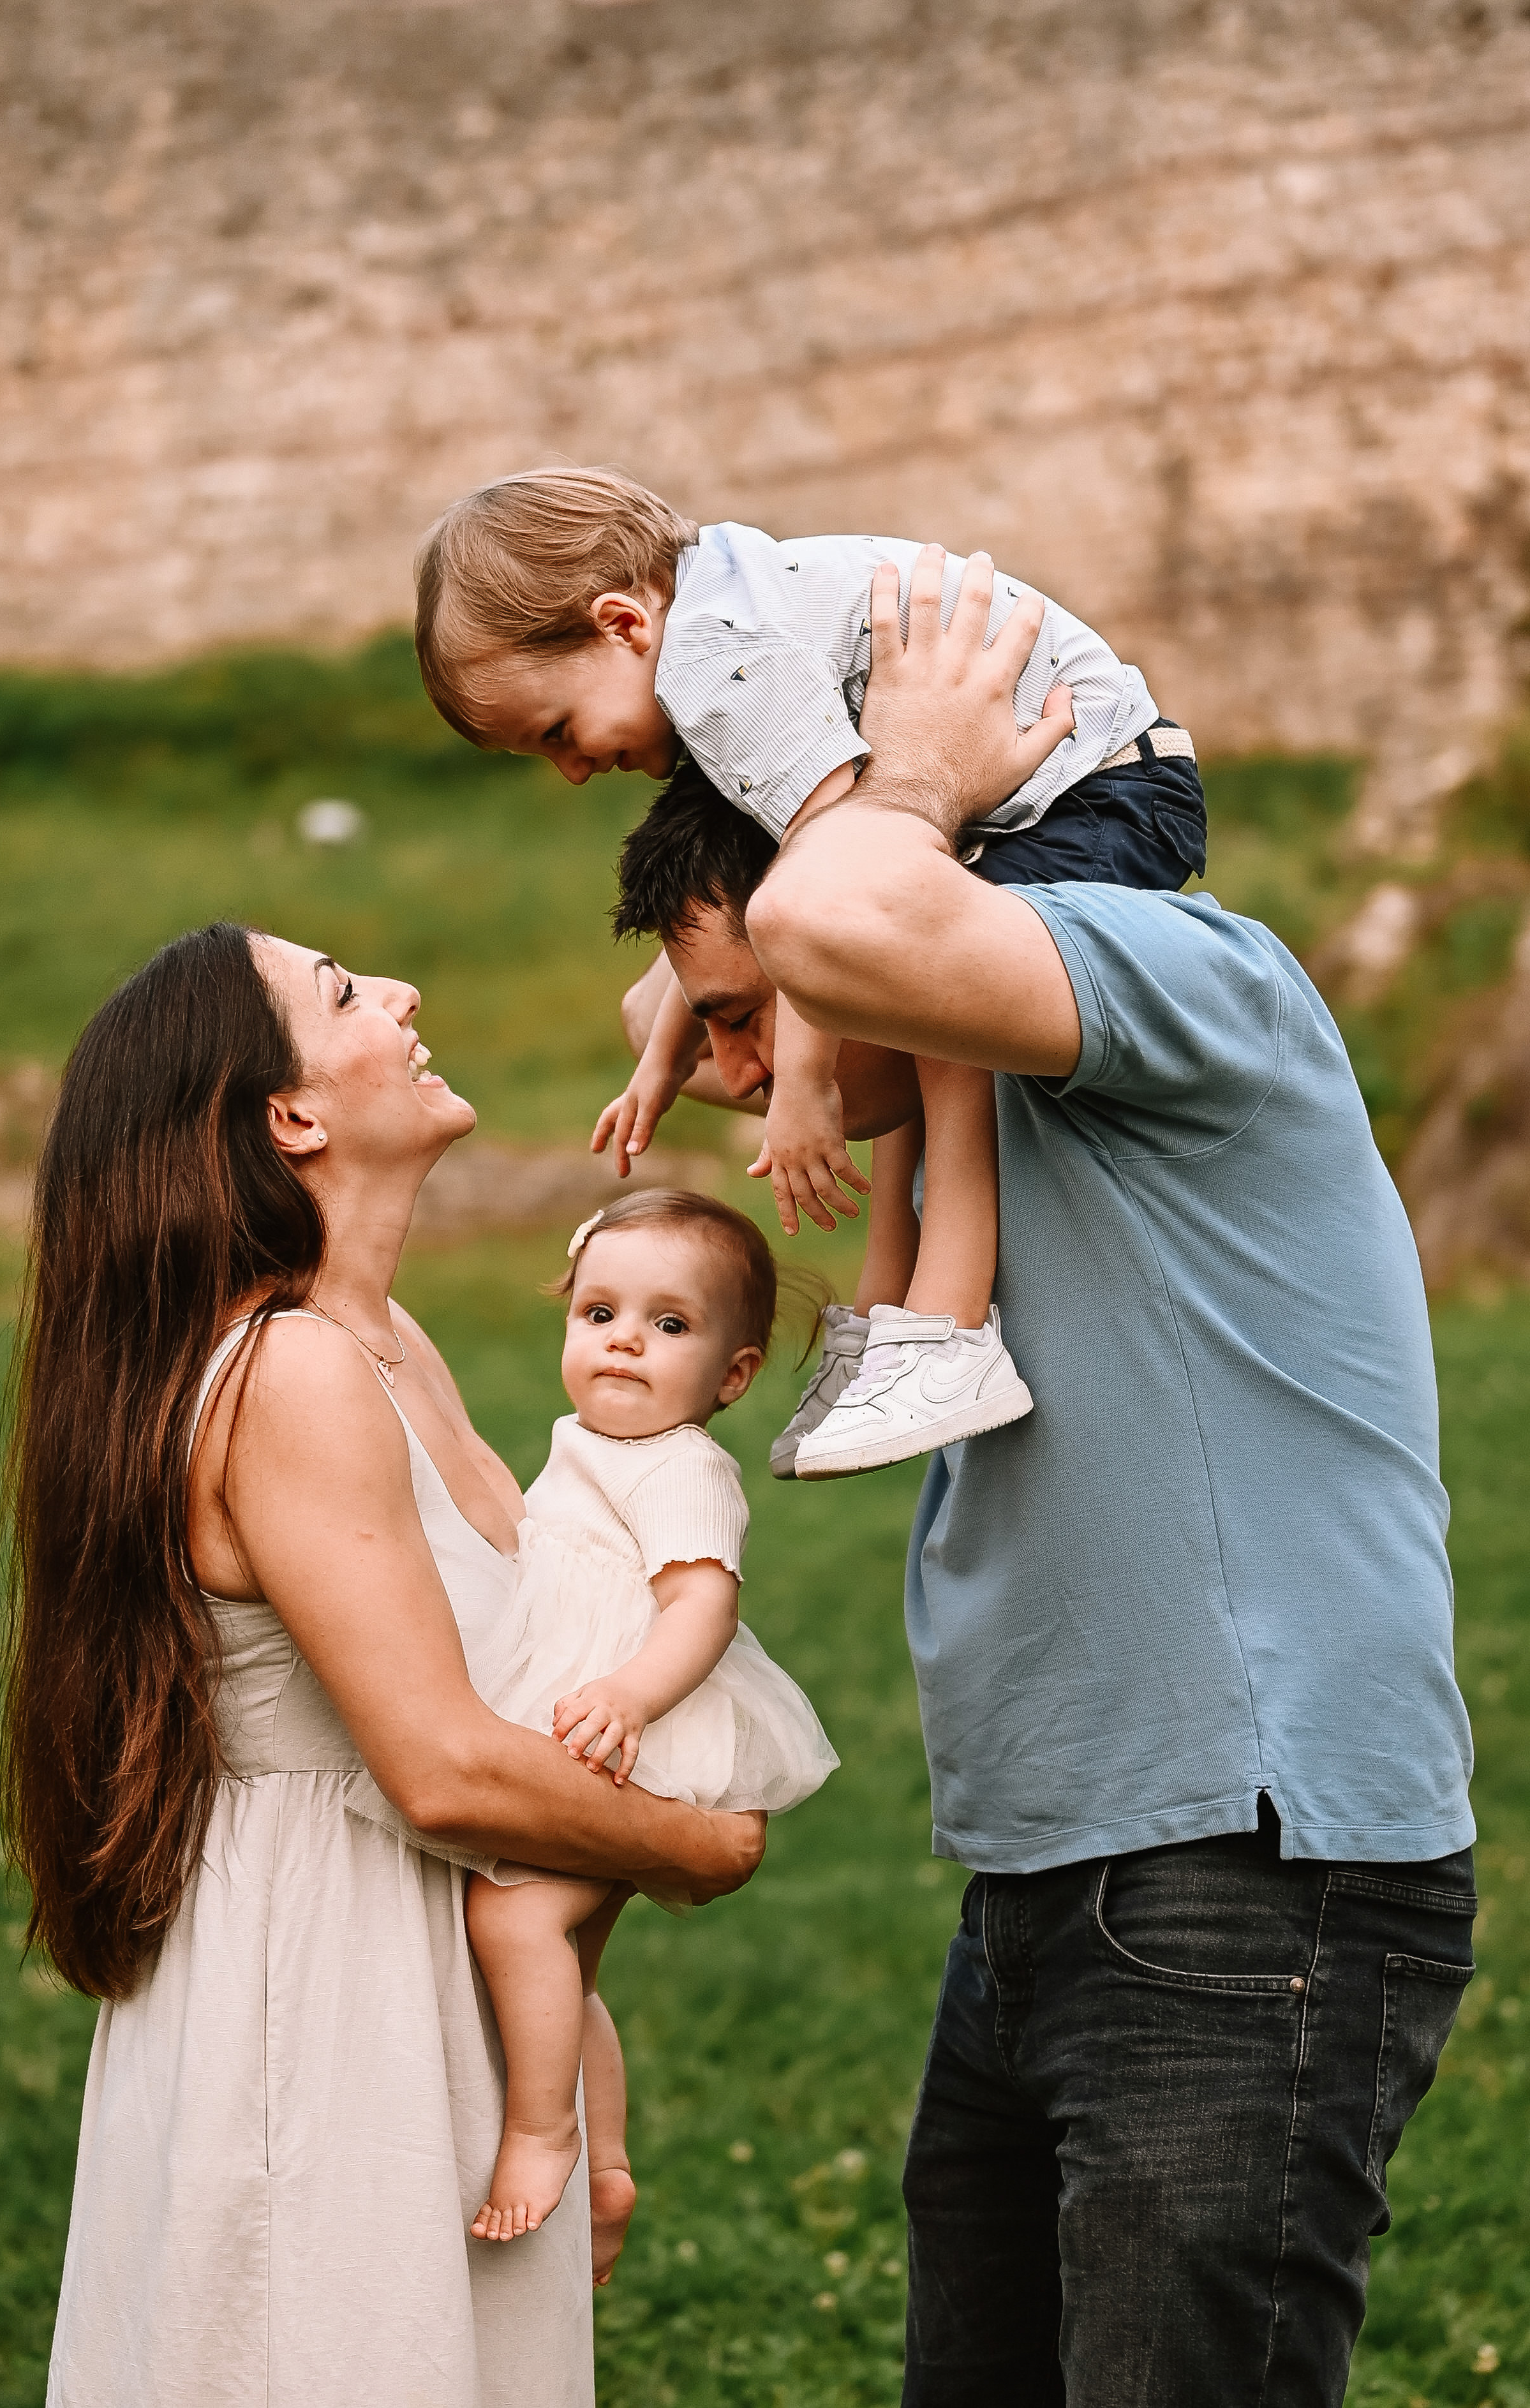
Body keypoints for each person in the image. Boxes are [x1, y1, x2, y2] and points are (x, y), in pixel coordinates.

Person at [609, 549, 1478, 2405]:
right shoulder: (958, 1076)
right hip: (1052, 1874)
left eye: (756, 1013)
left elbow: (864, 935)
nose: (736, 1071)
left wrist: (890, 789)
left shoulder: (1182, 973)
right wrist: (735, 993)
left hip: (1246, 1866)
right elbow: (767, 994)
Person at [0, 921, 762, 2408]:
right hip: (320, 1979)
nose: (405, 993)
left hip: (423, 1960)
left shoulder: (384, 1340)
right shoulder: (285, 1372)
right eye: (344, 993)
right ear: (290, 1117)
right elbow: (441, 1762)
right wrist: (696, 1847)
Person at [412, 467, 1207, 1480]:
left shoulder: (716, 661)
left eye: (559, 732)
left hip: (1097, 789)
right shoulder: (718, 615)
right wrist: (662, 1056)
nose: (572, 770)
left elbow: (829, 881)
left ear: (621, 623)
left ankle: (949, 1321)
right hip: (1061, 791)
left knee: (931, 991)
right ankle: (886, 1302)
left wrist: (807, 1082)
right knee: (912, 985)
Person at [464, 1189, 837, 2254]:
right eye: (599, 1314)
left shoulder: (682, 1466)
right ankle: (611, 2165)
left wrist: (630, 1697)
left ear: (732, 1375)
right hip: (587, 1709)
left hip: (634, 1730)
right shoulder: (587, 1440)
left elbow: (704, 1605)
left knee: (514, 1919)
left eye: (669, 1325)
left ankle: (544, 2134)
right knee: (565, 1959)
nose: (625, 1338)